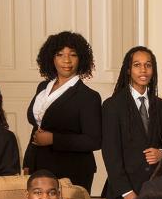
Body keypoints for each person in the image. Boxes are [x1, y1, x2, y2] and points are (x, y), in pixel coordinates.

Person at [101, 46, 162, 199]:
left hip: (155, 188)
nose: (143, 70)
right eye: (137, 65)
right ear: (128, 70)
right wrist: (126, 192)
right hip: (124, 190)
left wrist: (161, 153)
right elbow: (110, 153)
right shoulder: (113, 105)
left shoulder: (161, 105)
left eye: (148, 65)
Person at [22, 31, 102, 190]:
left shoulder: (88, 97)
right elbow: (36, 129)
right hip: (40, 167)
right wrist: (28, 163)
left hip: (72, 170)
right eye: (60, 54)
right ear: (51, 58)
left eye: (73, 55)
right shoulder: (43, 87)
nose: (66, 60)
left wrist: (54, 139)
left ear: (81, 59)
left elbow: (94, 140)